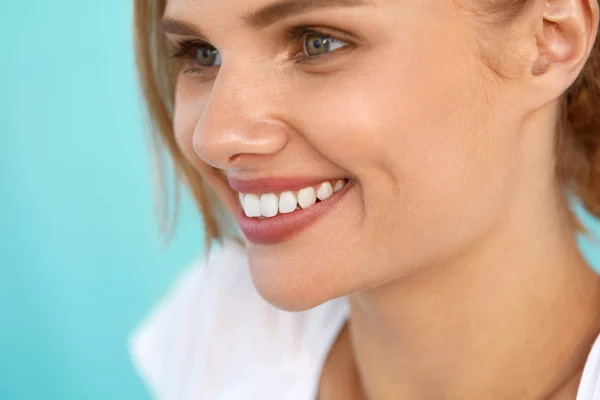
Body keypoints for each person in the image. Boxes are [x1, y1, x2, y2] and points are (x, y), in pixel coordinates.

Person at [129, 0, 600, 398]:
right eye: (203, 54)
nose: (214, 137)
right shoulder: (223, 338)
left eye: (318, 41)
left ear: (548, 40)